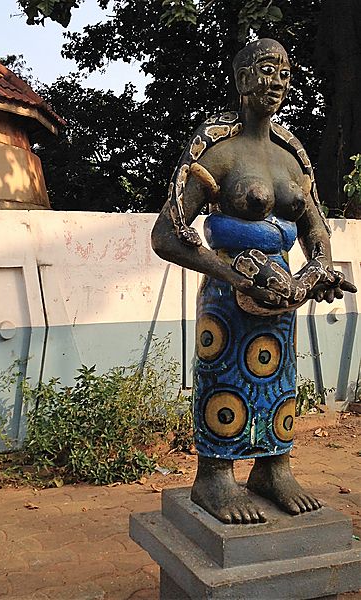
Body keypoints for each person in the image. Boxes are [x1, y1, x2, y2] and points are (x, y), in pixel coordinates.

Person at [151, 38, 357, 524]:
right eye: (267, 69)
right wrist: (232, 276)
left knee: (280, 378)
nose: (278, 81)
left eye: (285, 72)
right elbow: (167, 234)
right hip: (228, 295)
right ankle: (214, 477)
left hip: (283, 296)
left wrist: (319, 269)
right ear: (242, 80)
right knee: (224, 376)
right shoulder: (217, 148)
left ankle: (273, 467)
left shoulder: (293, 154)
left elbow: (314, 226)